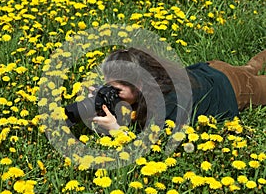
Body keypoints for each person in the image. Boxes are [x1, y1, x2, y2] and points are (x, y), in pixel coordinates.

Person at [92, 47, 266, 131]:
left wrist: (116, 130)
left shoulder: (167, 104)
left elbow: (150, 148)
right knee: (250, 69)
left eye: (115, 90)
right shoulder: (152, 78)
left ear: (139, 85)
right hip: (213, 69)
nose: (111, 93)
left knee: (252, 79)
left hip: (234, 88)